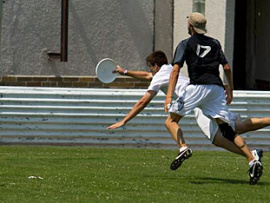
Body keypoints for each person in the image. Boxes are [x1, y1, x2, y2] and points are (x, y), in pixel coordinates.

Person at [107, 50, 264, 184]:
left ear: (155, 66)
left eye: (151, 68)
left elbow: (143, 102)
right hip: (204, 100)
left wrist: (124, 120)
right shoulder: (168, 69)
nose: (151, 72)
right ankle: (252, 155)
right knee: (231, 131)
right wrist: (126, 73)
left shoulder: (159, 76)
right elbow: (148, 76)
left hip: (194, 100)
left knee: (170, 122)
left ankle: (183, 147)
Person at [163, 12, 263, 185]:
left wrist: (169, 95)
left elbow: (175, 70)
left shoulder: (185, 44)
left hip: (196, 87)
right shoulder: (215, 43)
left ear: (190, 26)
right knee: (227, 130)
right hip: (216, 89)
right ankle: (252, 159)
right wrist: (230, 88)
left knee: (170, 121)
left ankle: (183, 148)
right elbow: (227, 67)